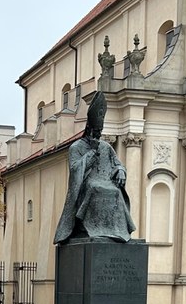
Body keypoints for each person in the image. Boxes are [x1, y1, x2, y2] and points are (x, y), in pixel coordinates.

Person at [53, 91, 136, 244]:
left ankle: (115, 230)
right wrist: (90, 154)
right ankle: (90, 228)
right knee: (95, 187)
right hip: (87, 183)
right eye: (96, 131)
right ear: (89, 129)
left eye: (100, 131)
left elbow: (117, 163)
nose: (98, 134)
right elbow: (75, 169)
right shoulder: (76, 147)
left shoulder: (106, 146)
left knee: (116, 191)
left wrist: (121, 171)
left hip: (106, 180)